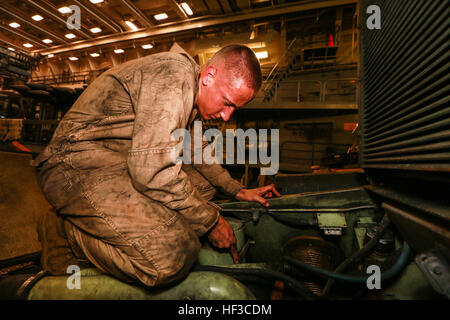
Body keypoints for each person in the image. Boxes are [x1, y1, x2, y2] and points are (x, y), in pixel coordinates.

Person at [33, 43, 280, 287]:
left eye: (234, 108)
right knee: (171, 258)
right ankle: (66, 233)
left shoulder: (191, 92)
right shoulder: (172, 78)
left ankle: (140, 226)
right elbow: (152, 171)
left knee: (203, 186)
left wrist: (236, 190)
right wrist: (210, 221)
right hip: (73, 167)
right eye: (227, 102)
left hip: (114, 163)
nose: (227, 115)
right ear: (209, 75)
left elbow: (197, 152)